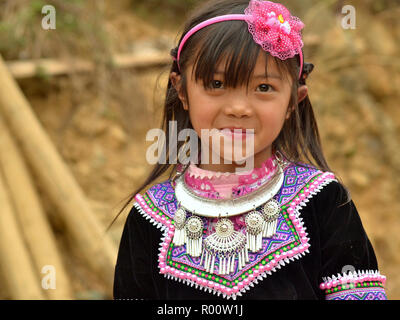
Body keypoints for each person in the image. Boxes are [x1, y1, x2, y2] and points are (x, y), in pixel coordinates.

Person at [112, 0, 387, 300]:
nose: (240, 108)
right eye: (216, 83)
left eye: (264, 88)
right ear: (182, 90)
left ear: (293, 101)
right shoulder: (149, 217)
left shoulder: (325, 202)